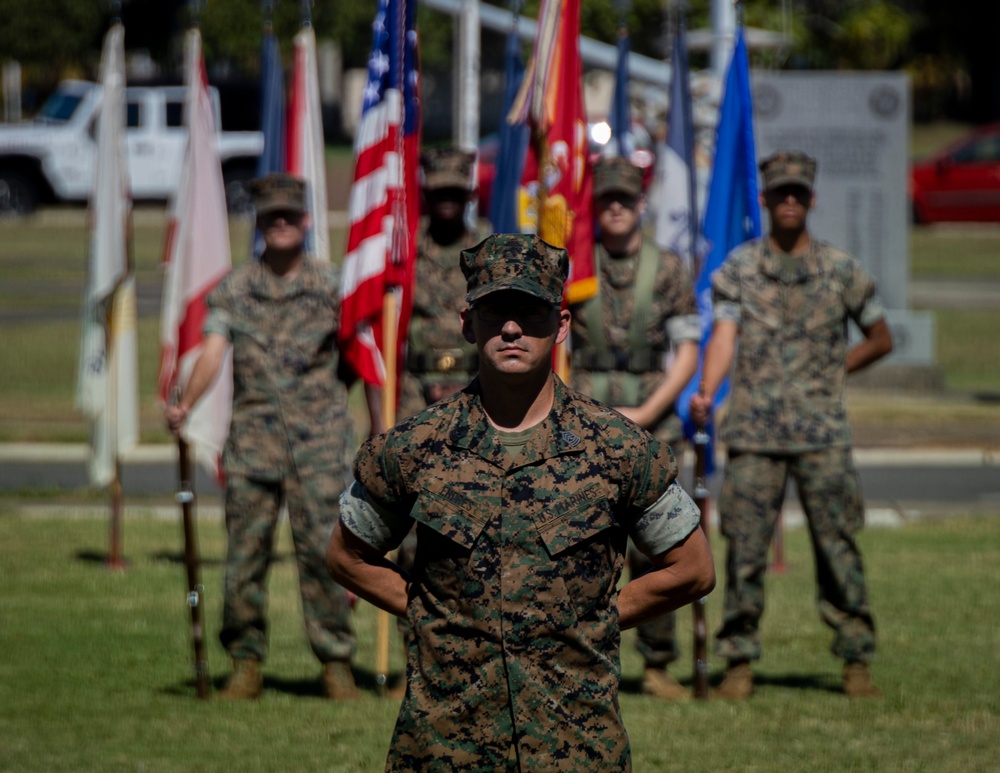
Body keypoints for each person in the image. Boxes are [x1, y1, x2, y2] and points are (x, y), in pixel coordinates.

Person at [327, 233, 715, 771]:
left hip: (574, 747)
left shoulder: (618, 447)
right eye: (494, 311)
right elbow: (346, 556)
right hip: (445, 744)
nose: (511, 328)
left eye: (530, 312)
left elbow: (692, 570)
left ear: (560, 325)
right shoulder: (413, 447)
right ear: (468, 324)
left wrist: (596, 618)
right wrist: (427, 612)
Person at [165, 173, 383, 701]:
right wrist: (187, 400)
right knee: (244, 559)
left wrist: (381, 429)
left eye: (289, 215)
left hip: (321, 447)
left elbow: (364, 357)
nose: (280, 224)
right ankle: (245, 662)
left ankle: (335, 664)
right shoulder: (236, 289)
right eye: (271, 217)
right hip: (254, 447)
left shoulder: (334, 287)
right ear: (260, 224)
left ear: (306, 222)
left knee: (324, 557)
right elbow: (214, 351)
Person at [689, 150, 893, 699]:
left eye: (798, 192)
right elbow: (724, 336)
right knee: (744, 550)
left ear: (811, 199)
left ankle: (855, 658)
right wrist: (707, 391)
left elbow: (880, 337)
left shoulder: (841, 270)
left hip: (822, 433)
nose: (789, 201)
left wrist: (835, 367)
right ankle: (738, 661)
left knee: (838, 546)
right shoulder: (738, 270)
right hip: (754, 434)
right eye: (780, 192)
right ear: (764, 198)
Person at [570, 156, 701, 700]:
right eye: (607, 200)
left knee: (656, 547)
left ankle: (656, 663)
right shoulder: (575, 268)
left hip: (652, 420)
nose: (617, 208)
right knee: (582, 544)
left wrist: (650, 413)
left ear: (642, 204)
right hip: (584, 416)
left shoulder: (668, 268)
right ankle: (579, 656)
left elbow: (688, 352)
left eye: (626, 199)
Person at [399, 146, 484, 418]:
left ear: (470, 196)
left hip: (477, 388)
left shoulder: (486, 250)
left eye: (455, 194)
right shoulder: (405, 249)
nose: (447, 201)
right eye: (439, 194)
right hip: (414, 390)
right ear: (425, 194)